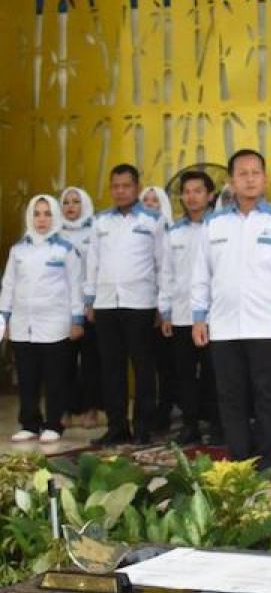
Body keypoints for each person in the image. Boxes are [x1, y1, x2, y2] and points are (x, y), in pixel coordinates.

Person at [192, 150, 271, 469]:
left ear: (264, 178)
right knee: (230, 395)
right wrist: (199, 318)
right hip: (224, 327)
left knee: (267, 394)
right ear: (231, 181)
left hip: (268, 326)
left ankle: (264, 454)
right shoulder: (213, 224)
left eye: (256, 172)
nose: (250, 179)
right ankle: (240, 456)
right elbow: (201, 275)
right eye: (243, 173)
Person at [85, 164, 166, 445]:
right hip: (106, 304)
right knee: (111, 369)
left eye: (126, 186)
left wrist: (162, 306)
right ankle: (117, 426)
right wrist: (89, 299)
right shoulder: (100, 222)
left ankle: (143, 427)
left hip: (140, 304)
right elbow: (92, 263)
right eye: (115, 186)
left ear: (136, 186)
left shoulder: (153, 221)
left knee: (143, 368)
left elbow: (163, 265)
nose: (120, 191)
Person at [0, 195, 84, 443]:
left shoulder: (65, 249)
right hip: (22, 325)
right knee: (27, 377)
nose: (42, 219)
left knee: (55, 377)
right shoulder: (18, 250)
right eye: (37, 214)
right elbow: (8, 286)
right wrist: (3, 318)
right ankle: (29, 423)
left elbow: (75, 287)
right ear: (30, 217)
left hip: (55, 324)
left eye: (47, 214)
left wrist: (77, 320)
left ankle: (54, 424)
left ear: (55, 217)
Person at [158, 171, 217, 445]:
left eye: (198, 190)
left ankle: (216, 424)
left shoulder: (219, 227)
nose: (192, 196)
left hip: (214, 316)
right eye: (187, 191)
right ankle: (190, 423)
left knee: (214, 372)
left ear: (210, 195)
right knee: (184, 374)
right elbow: (166, 274)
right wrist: (165, 311)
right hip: (181, 315)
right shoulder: (173, 233)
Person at [59, 186, 101, 429]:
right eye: (66, 202)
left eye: (76, 202)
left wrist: (91, 301)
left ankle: (91, 408)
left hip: (88, 306)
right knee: (63, 361)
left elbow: (97, 267)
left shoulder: (94, 230)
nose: (71, 207)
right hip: (60, 307)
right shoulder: (54, 232)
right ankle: (64, 408)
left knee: (91, 361)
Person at [141, 185, 175, 431]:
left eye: (155, 200)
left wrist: (163, 309)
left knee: (167, 367)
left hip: (168, 311)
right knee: (148, 365)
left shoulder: (172, 231)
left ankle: (166, 410)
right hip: (143, 306)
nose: (151, 204)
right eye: (146, 200)